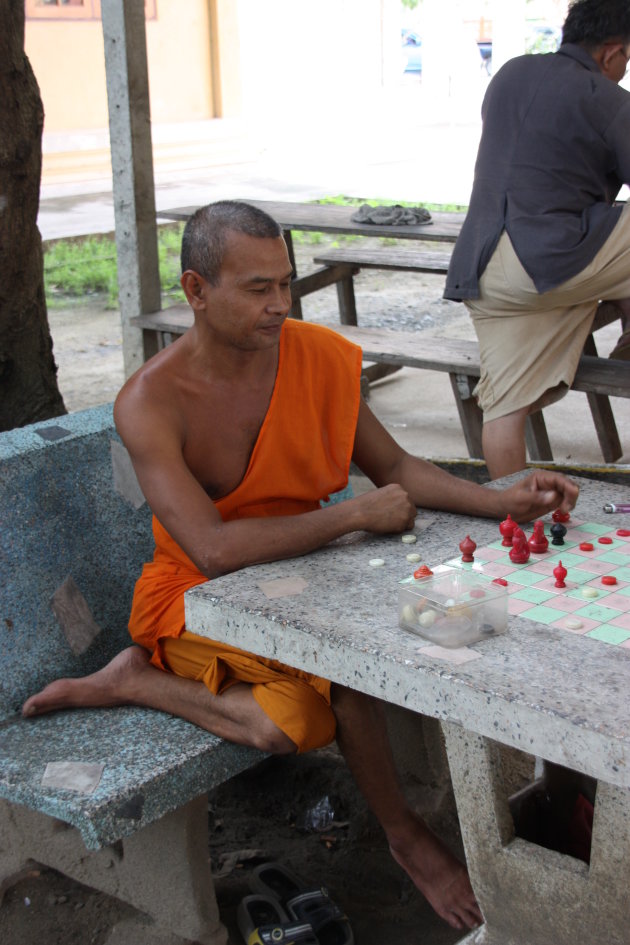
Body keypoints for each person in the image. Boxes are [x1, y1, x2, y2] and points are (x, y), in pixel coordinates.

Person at [23, 200, 579, 933]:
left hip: (307, 577)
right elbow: (213, 549)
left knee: (386, 656)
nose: (279, 304)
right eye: (256, 288)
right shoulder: (151, 401)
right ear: (195, 289)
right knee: (301, 715)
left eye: (285, 283)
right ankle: (402, 832)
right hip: (198, 596)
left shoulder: (314, 357)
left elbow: (396, 467)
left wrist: (499, 498)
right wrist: (350, 514)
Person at [444, 0, 630, 481]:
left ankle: (511, 517)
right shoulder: (607, 96)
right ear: (612, 53)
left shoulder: (509, 74)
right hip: (546, 259)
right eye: (627, 59)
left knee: (505, 406)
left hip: (480, 268)